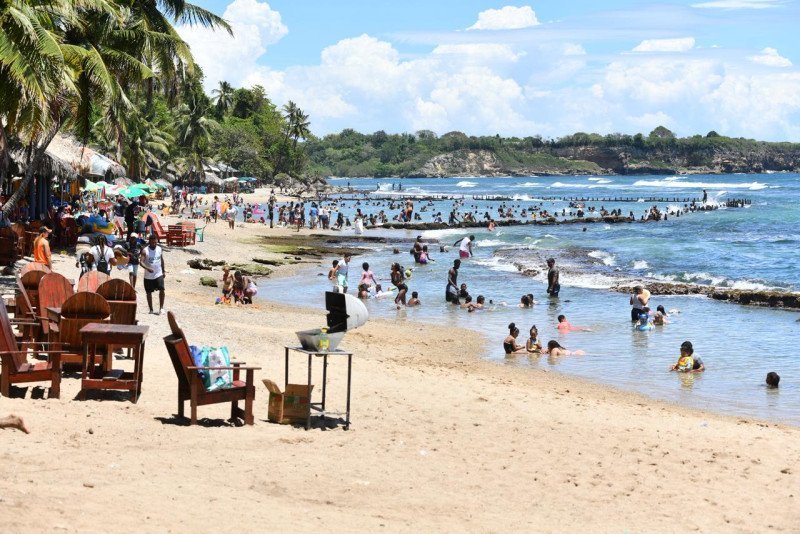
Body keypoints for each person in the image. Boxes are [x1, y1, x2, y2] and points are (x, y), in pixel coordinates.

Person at [140, 234, 165, 315]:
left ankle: (161, 308)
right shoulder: (145, 251)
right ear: (149, 241)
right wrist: (147, 268)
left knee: (162, 289)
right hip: (148, 276)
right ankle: (151, 309)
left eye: (155, 241)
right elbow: (141, 262)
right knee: (149, 292)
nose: (154, 243)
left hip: (158, 273)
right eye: (153, 242)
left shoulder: (159, 249)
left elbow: (161, 260)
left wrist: (163, 271)